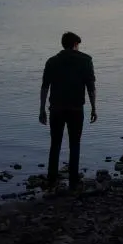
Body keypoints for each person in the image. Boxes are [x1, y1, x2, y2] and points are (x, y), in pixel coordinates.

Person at [39, 31, 97, 193]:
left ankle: (52, 179)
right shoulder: (86, 60)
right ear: (75, 44)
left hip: (56, 108)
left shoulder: (52, 61)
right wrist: (94, 107)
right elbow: (91, 87)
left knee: (55, 144)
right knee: (75, 144)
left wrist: (42, 109)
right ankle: (73, 181)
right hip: (76, 109)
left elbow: (45, 87)